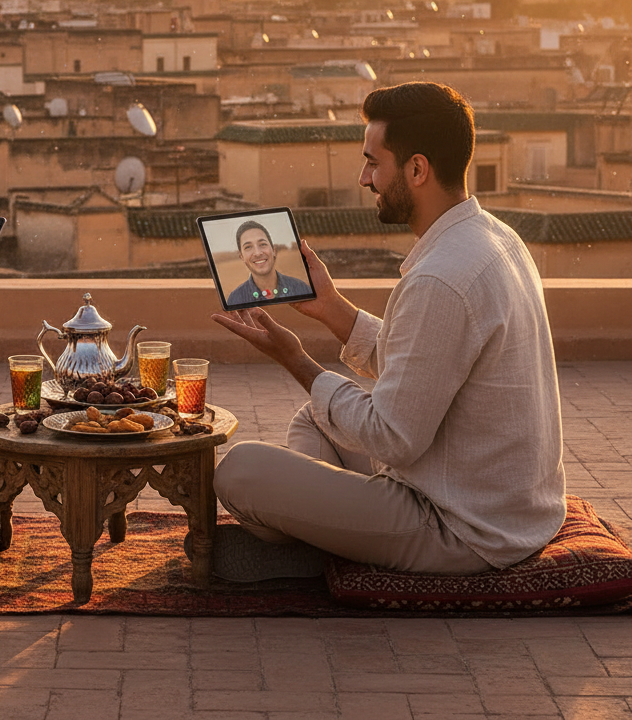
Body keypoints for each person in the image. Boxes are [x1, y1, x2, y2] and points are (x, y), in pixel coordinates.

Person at [205, 82, 566, 582]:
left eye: (374, 163)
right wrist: (332, 309)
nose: (364, 178)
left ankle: (320, 543)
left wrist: (295, 359)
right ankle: (329, 530)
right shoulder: (494, 238)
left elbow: (393, 438)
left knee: (239, 471)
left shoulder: (441, 277)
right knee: (316, 418)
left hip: (462, 528)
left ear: (417, 169)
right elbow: (424, 361)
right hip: (502, 502)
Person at [227, 219, 312, 305]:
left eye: (263, 244)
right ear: (242, 257)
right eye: (248, 247)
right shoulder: (235, 299)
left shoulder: (301, 289)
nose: (258, 253)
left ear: (274, 251)